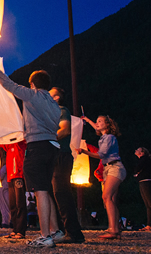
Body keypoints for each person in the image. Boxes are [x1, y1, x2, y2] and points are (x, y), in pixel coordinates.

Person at [0, 55, 61, 248]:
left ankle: (45, 236)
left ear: (32, 84)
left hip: (36, 147)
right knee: (46, 190)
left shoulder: (33, 95)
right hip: (52, 147)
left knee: (41, 192)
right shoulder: (55, 105)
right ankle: (55, 230)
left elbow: (9, 85)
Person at [48, 87, 85, 244]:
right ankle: (67, 231)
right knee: (57, 194)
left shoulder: (62, 110)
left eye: (49, 95)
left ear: (56, 98)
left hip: (61, 156)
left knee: (62, 194)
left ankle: (74, 233)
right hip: (55, 157)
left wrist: (47, 140)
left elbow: (65, 130)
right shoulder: (52, 114)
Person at [79, 115, 126, 239]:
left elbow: (101, 154)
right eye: (97, 121)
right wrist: (88, 120)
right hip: (109, 168)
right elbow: (95, 126)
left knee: (106, 197)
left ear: (107, 125)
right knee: (111, 199)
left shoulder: (109, 138)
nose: (97, 123)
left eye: (100, 121)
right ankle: (115, 228)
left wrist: (83, 151)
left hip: (115, 168)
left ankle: (114, 229)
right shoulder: (105, 136)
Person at [0, 141, 27, 239]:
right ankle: (15, 229)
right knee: (12, 204)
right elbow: (0, 142)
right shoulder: (9, 145)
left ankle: (21, 231)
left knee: (20, 203)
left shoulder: (20, 142)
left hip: (18, 174)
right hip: (10, 176)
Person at [134, 147, 151, 231]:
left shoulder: (144, 159)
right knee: (148, 204)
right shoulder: (144, 160)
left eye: (138, 150)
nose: (136, 151)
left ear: (142, 152)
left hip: (146, 181)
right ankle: (149, 224)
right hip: (143, 181)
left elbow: (137, 168)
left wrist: (137, 172)